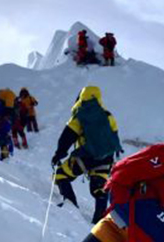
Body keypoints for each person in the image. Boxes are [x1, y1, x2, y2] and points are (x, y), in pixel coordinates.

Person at [51, 86, 123, 224]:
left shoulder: (80, 115)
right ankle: (99, 220)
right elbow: (113, 138)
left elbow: (67, 137)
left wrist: (58, 154)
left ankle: (70, 204)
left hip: (85, 157)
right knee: (99, 189)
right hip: (106, 159)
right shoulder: (109, 116)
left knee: (60, 174)